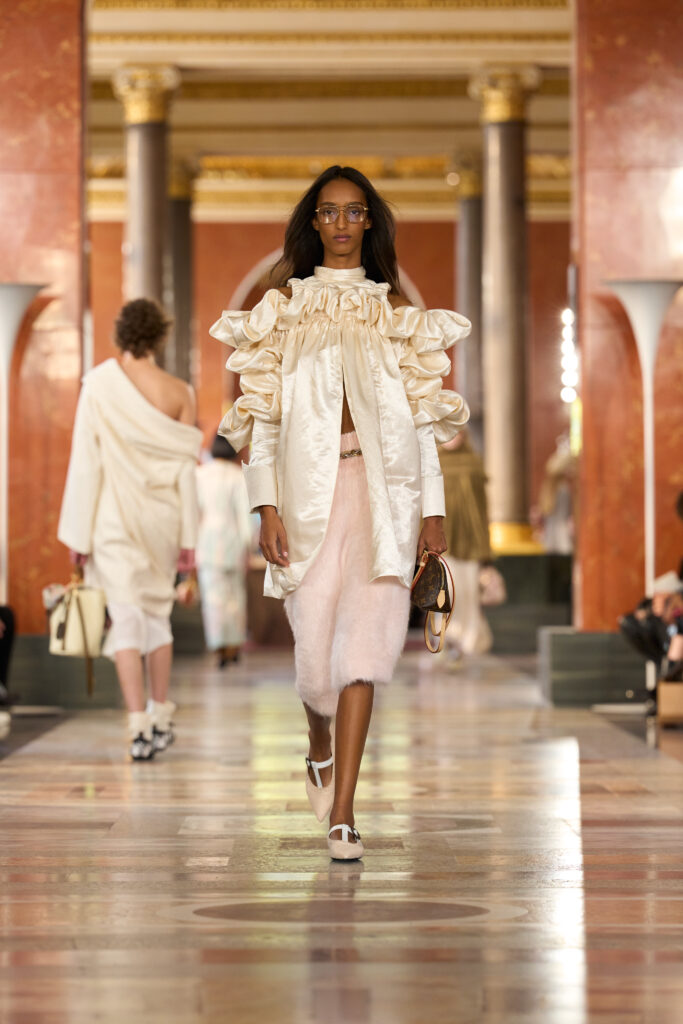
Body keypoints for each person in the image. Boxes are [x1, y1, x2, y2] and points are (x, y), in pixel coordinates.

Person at [210, 165, 470, 859]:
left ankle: (345, 812)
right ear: (315, 222)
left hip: (386, 497)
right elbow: (264, 418)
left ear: (369, 221)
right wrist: (265, 505)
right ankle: (317, 740)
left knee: (366, 649)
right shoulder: (285, 309)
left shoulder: (393, 314)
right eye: (330, 211)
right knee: (314, 654)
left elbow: (420, 421)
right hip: (306, 499)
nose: (343, 223)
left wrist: (433, 511)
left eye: (355, 211)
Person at [58, 299, 202, 761]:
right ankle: (160, 718)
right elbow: (186, 475)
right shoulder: (180, 392)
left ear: (119, 334)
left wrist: (78, 537)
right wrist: (188, 541)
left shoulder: (99, 386)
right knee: (156, 618)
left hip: (112, 522)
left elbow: (86, 464)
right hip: (163, 523)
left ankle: (138, 728)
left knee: (125, 619)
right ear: (160, 336)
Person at [196, 433, 253, 667]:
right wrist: (249, 546)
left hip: (207, 543)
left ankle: (218, 646)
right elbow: (245, 517)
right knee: (235, 598)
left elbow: (195, 512)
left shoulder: (200, 475)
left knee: (213, 599)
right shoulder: (238, 476)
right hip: (233, 543)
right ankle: (234, 646)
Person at [439, 430, 493, 661]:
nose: (452, 437)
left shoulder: (473, 463)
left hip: (470, 542)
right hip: (443, 541)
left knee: (469, 592)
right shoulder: (432, 463)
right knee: (448, 592)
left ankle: (466, 641)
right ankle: (448, 638)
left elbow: (481, 508)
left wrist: (484, 544)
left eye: (457, 432)